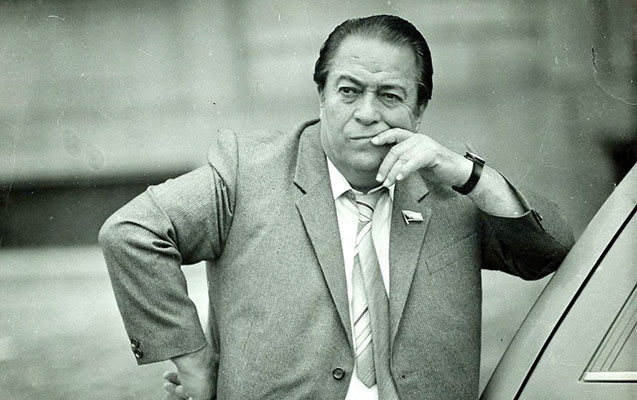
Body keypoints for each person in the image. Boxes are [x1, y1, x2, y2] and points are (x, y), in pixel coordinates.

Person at [99, 15, 574, 400]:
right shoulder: (248, 172)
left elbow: (550, 251)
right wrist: (194, 362)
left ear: (419, 110)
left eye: (390, 95)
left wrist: (466, 172)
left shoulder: (448, 189)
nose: (367, 113)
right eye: (349, 91)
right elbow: (133, 232)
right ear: (322, 96)